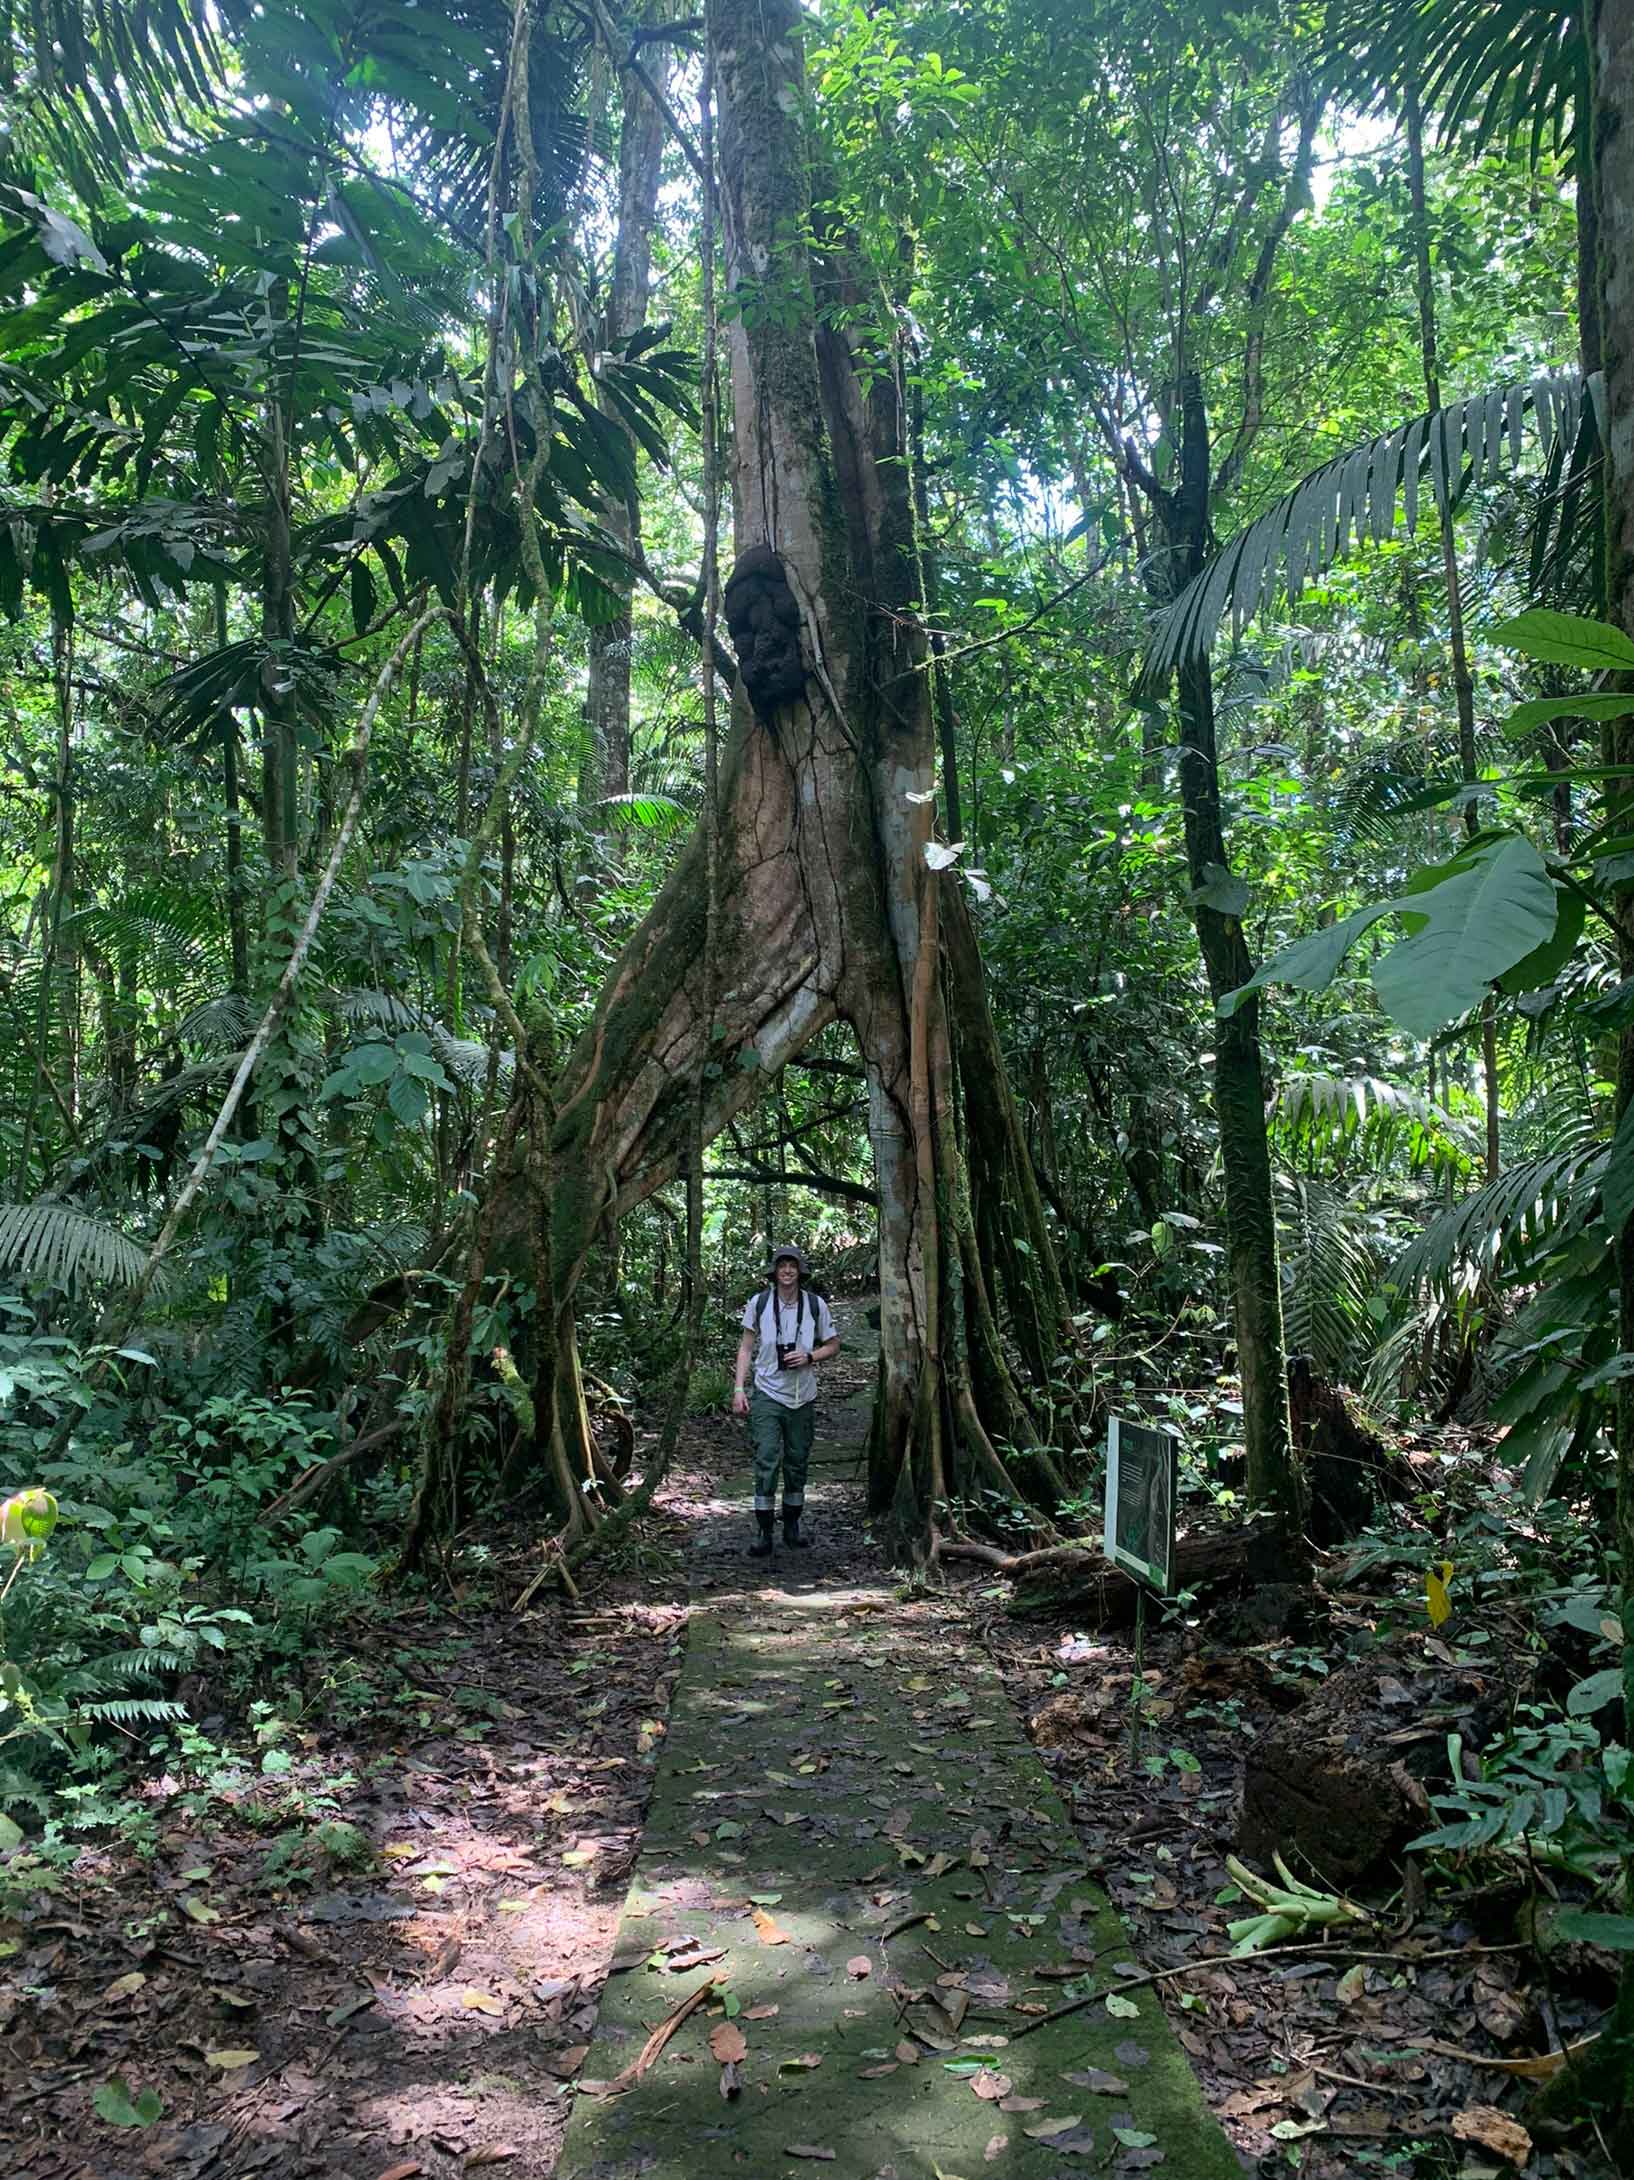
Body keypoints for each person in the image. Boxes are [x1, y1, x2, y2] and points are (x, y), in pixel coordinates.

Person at [732, 1245, 840, 1555]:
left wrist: (810, 1356)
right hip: (767, 1393)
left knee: (797, 1463)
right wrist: (739, 1389)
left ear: (800, 1271)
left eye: (793, 1266)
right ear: (775, 1271)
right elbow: (745, 1348)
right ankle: (764, 1530)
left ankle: (792, 1524)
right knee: (766, 1459)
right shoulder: (760, 1303)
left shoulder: (816, 1305)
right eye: (782, 1266)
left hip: (802, 1396)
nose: (787, 1271)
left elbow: (833, 1344)